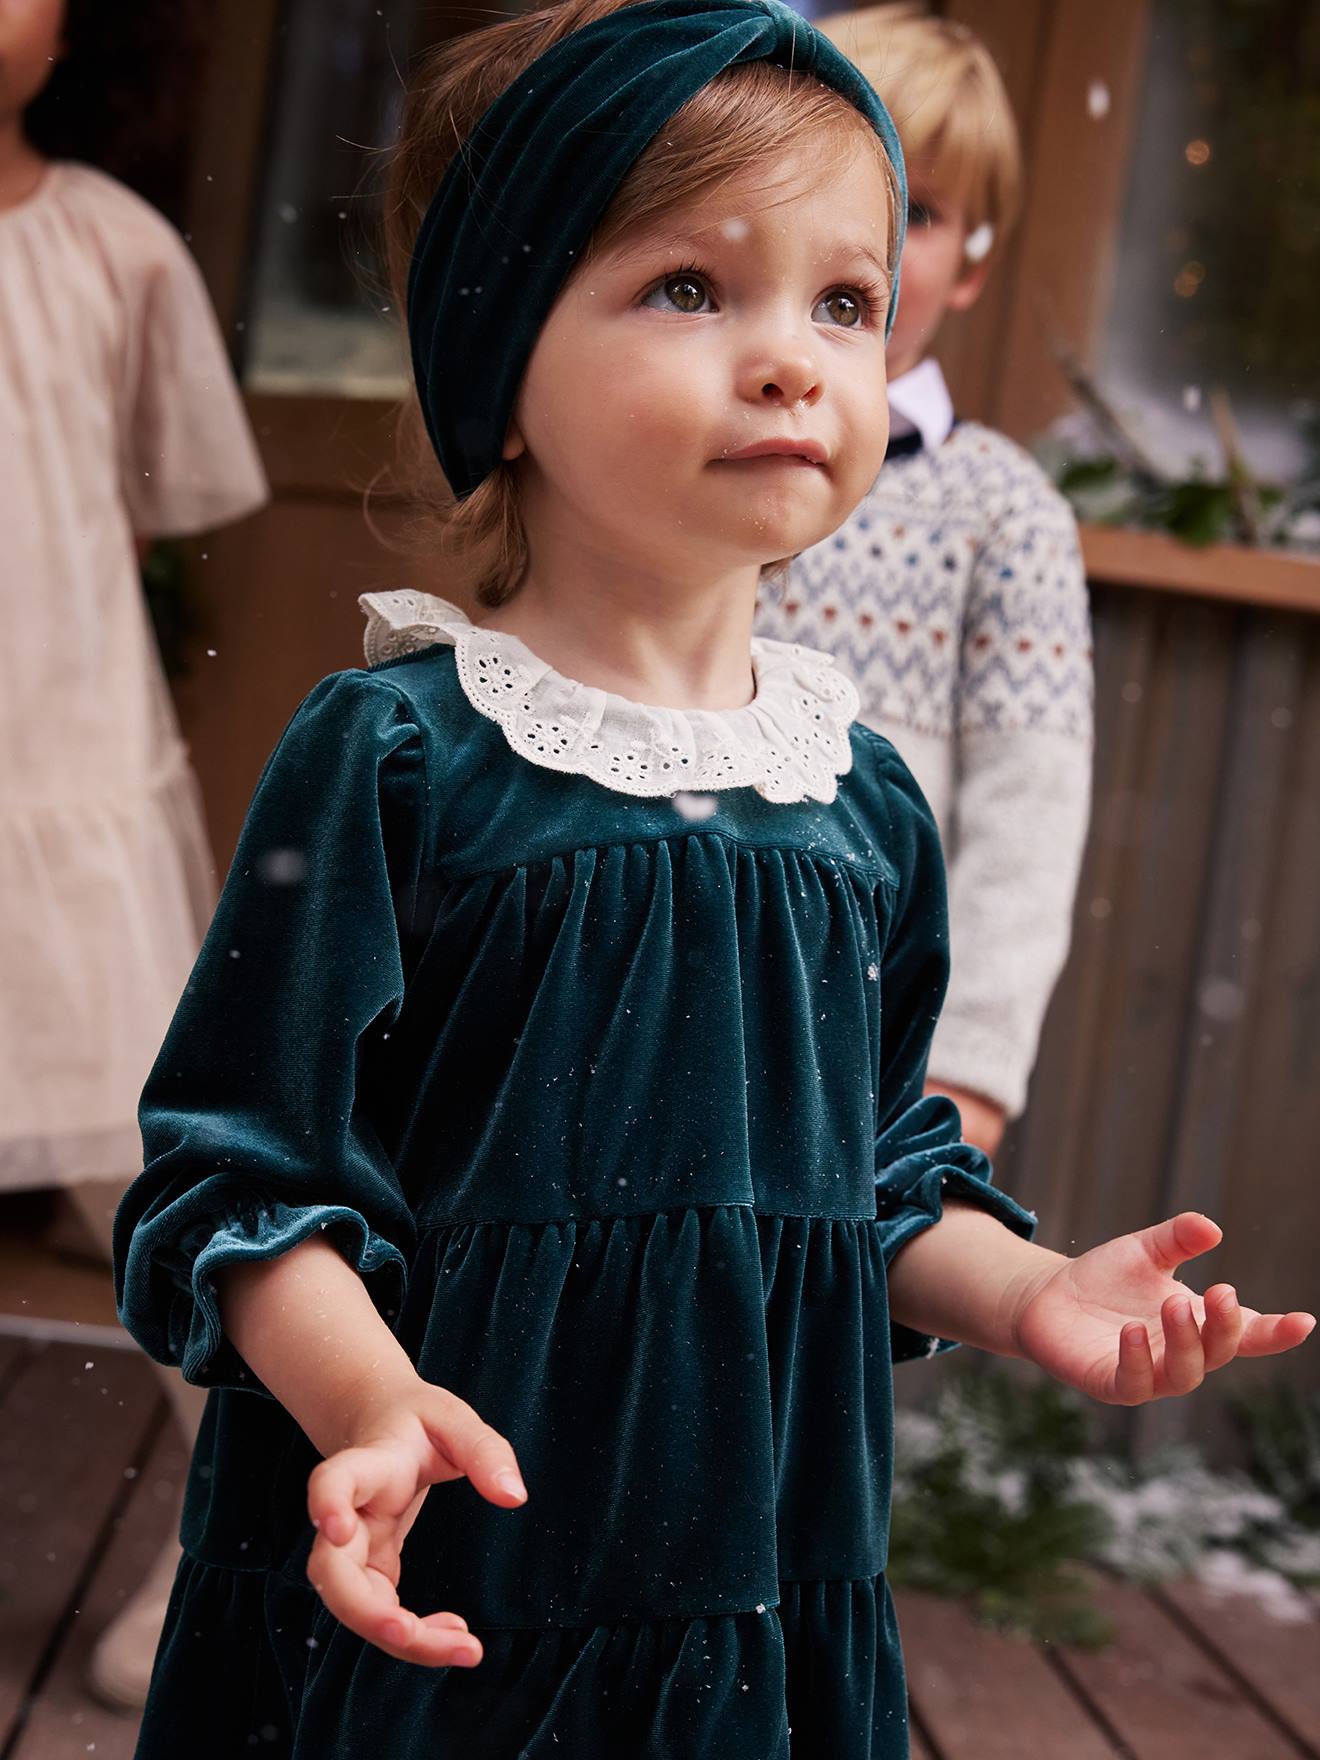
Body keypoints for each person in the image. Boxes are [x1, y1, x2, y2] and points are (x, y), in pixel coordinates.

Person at [113, 1, 1315, 1754]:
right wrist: (369, 1400)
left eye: (843, 301)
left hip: (748, 1574)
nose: (794, 358)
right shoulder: (403, 761)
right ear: (498, 356)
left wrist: (1026, 1291)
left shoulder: (861, 805)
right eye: (691, 288)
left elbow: (877, 1171)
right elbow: (235, 1184)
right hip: (455, 1570)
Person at [0, 0, 268, 1711]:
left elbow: (166, 488)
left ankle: (232, 1522)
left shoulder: (118, 250)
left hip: (61, 753)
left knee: (149, 1165)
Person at [755, 6, 1092, 1157]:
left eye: (927, 214)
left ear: (975, 261)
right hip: (659, 980)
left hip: (866, 1048)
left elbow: (1026, 823)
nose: (884, 243)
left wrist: (972, 1075)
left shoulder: (1001, 512)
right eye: (845, 196)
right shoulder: (711, 444)